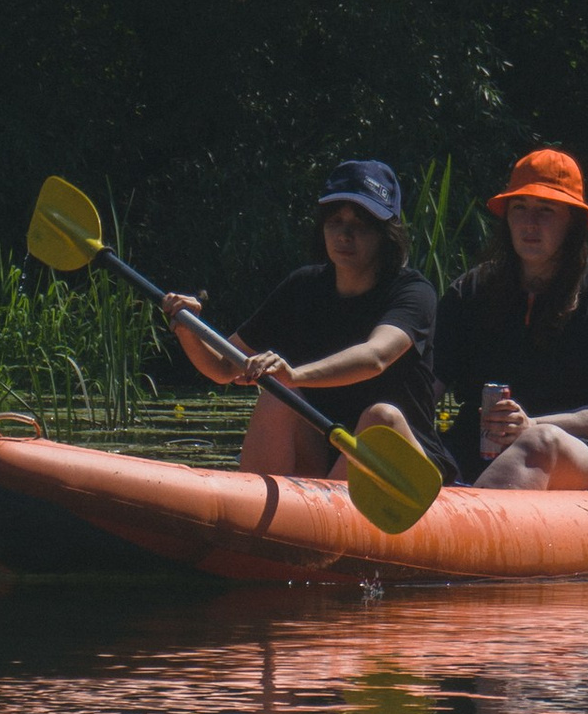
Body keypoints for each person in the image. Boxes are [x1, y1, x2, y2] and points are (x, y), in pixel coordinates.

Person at [358, 148, 588, 491]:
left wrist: (532, 425)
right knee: (382, 418)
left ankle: (471, 521)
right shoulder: (471, 291)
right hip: (471, 455)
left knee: (541, 442)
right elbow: (426, 390)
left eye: (546, 210)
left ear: (573, 222)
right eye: (519, 208)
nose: (530, 223)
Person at [162, 160, 439, 478]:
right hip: (324, 458)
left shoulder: (414, 292)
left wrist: (294, 375)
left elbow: (376, 357)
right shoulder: (302, 287)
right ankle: (263, 502)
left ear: (385, 234)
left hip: (405, 462)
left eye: (361, 224)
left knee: (381, 418)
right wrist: (188, 328)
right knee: (278, 396)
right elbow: (225, 367)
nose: (344, 235)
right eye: (335, 221)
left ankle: (327, 506)